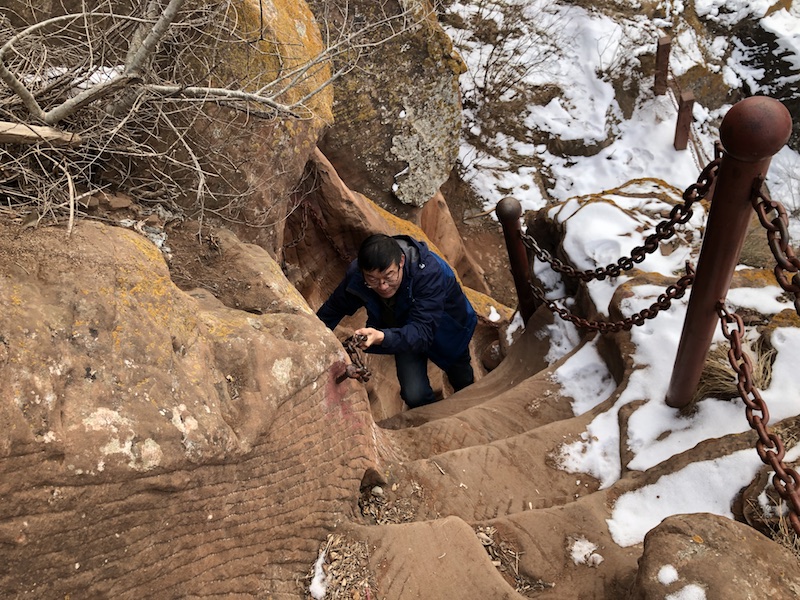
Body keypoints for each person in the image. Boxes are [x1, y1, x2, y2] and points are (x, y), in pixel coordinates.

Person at [317, 233, 477, 408]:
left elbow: (422, 333)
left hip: (446, 329)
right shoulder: (359, 276)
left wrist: (382, 337)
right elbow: (334, 308)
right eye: (373, 280)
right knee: (414, 394)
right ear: (363, 271)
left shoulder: (428, 273)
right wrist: (314, 336)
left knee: (461, 376)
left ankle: (469, 405)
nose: (383, 286)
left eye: (389, 276)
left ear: (401, 261)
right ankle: (429, 418)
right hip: (401, 331)